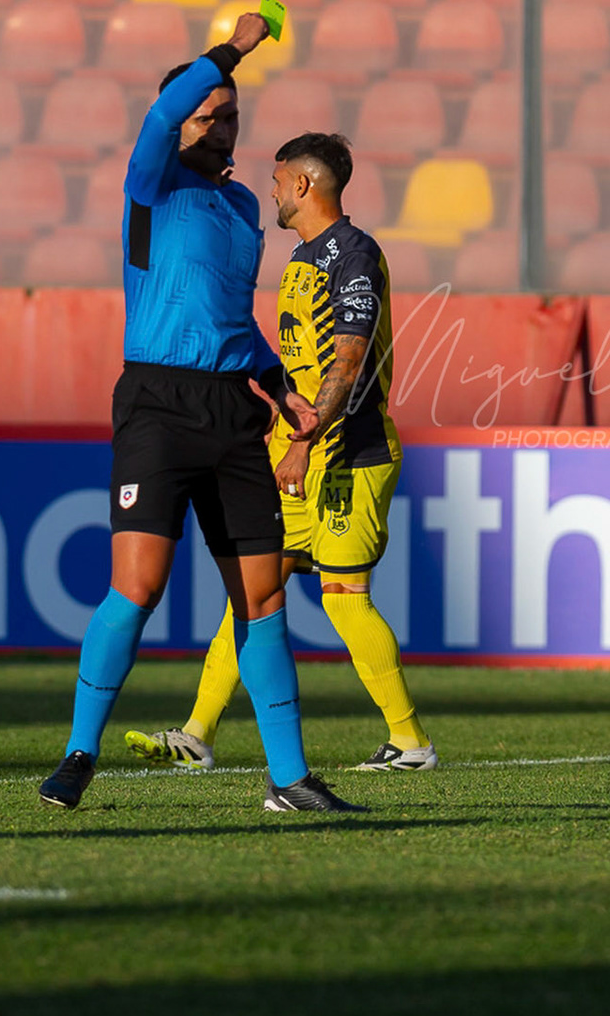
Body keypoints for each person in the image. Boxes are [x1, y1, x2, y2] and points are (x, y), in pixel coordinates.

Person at [38, 14, 362, 817]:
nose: (223, 124)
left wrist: (278, 384)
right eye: (208, 112)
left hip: (232, 410)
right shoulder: (152, 182)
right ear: (179, 119)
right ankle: (79, 754)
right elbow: (160, 115)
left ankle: (289, 779)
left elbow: (231, 319)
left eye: (230, 114)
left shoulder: (244, 205)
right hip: (157, 404)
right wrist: (233, 50)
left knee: (263, 600)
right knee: (137, 587)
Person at [128, 132, 437, 775]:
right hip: (298, 448)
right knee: (254, 589)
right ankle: (197, 734)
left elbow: (348, 362)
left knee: (344, 597)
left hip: (349, 452)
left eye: (276, 180)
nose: (270, 191)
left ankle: (410, 743)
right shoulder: (302, 257)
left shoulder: (353, 255)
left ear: (302, 184)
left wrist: (305, 440)